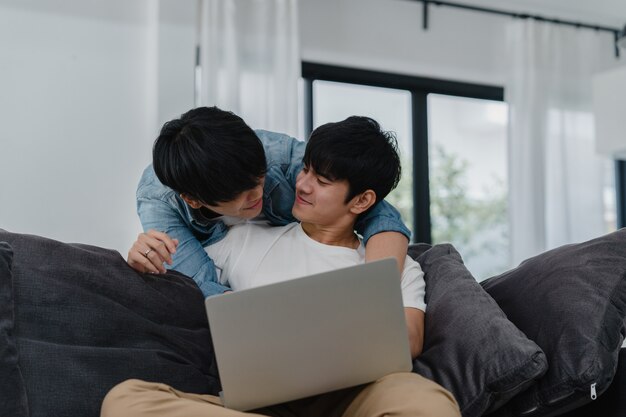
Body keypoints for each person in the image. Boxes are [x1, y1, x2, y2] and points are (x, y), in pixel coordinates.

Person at [105, 117, 461, 417]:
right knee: (125, 400)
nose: (300, 184)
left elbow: (410, 340)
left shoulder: (393, 264)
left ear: (363, 200)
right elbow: (179, 280)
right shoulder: (243, 238)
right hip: (257, 403)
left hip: (352, 397)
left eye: (321, 182)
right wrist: (141, 258)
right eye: (304, 170)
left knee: (427, 402)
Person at [130, 107, 411, 297]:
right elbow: (203, 288)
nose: (257, 195)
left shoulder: (270, 151)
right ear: (193, 200)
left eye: (259, 179)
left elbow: (370, 203)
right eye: (241, 194)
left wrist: (376, 290)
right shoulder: (160, 202)